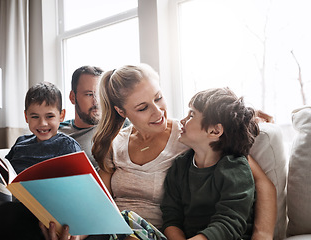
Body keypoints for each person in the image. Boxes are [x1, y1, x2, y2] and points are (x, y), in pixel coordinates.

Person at [41, 64, 276, 240]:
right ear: (121, 111)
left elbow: (261, 183)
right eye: (143, 108)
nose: (157, 112)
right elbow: (97, 201)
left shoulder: (189, 137)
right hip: (111, 231)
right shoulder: (116, 143)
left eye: (158, 98)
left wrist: (262, 236)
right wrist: (76, 234)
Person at [0, 82, 82, 240]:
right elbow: (7, 176)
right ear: (26, 116)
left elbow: (78, 189)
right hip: (15, 204)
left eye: (49, 116)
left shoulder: (67, 146)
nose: (42, 123)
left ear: (61, 115)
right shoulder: (21, 143)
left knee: (6, 211)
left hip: (43, 216)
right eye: (35, 117)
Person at [161, 87, 258, 240]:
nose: (182, 120)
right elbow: (171, 217)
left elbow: (228, 224)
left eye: (191, 115)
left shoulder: (235, 168)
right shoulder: (180, 165)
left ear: (215, 131)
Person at [59, 65, 104, 168]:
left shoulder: (120, 127)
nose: (96, 101)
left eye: (100, 94)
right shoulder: (55, 132)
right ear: (73, 97)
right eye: (89, 94)